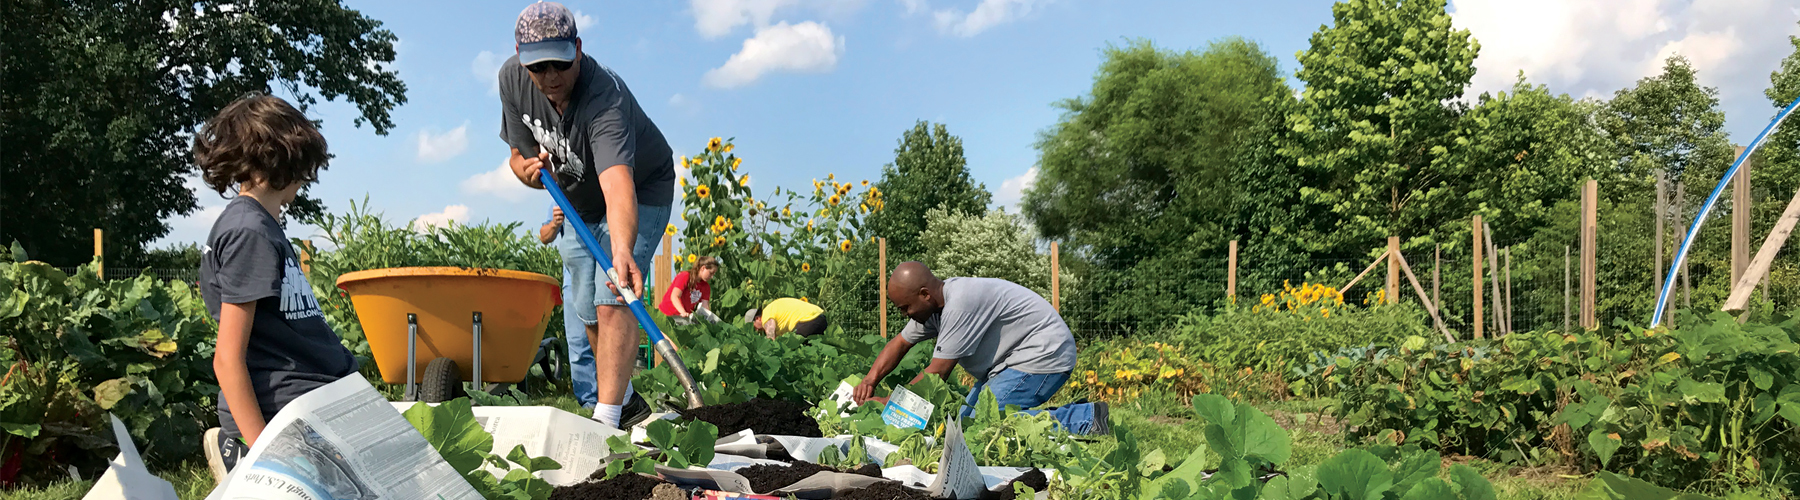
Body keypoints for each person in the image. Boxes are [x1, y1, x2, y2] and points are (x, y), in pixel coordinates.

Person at [500, 1, 675, 428]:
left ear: (578, 49)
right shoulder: (511, 79)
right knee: (584, 307)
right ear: (522, 61)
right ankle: (627, 402)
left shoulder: (604, 98)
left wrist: (622, 251)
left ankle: (607, 418)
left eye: (559, 64)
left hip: (641, 190)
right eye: (538, 68)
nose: (550, 77)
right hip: (576, 202)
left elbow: (618, 184)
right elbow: (518, 157)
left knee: (612, 294)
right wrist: (527, 173)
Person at [195, 95, 360, 481]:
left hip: (315, 398)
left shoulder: (259, 225)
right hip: (288, 409)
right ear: (286, 160)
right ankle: (239, 454)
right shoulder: (248, 231)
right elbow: (227, 358)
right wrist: (267, 456)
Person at [854, 262, 1110, 435]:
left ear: (924, 294)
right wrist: (869, 381)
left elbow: (935, 375)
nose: (904, 315)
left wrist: (891, 403)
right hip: (1011, 362)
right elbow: (899, 343)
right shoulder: (932, 309)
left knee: (983, 426)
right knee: (963, 425)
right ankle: (1075, 413)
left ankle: (1086, 417)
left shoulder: (959, 305)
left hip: (1044, 354)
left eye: (905, 308)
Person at [538, 206, 599, 408]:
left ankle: (614, 399)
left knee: (609, 339)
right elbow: (544, 237)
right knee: (578, 342)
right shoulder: (561, 196)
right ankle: (589, 402)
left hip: (604, 275)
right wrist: (555, 224)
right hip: (573, 279)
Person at [659, 256, 720, 325]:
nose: (711, 277)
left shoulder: (706, 287)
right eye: (711, 273)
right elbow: (674, 296)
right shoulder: (685, 276)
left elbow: (705, 307)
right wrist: (683, 312)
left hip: (683, 318)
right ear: (703, 268)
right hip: (668, 315)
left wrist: (710, 320)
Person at [744, 297, 830, 339]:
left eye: (754, 327)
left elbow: (770, 337)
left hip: (808, 320)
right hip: (820, 317)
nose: (757, 330)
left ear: (758, 319)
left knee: (795, 347)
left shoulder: (766, 315)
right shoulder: (773, 310)